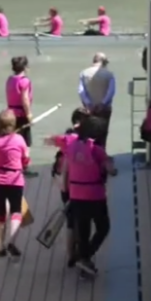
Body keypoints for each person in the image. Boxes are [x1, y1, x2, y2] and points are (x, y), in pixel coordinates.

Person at [62, 115, 118, 276]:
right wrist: (112, 170)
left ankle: (83, 264)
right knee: (103, 227)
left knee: (83, 230)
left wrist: (66, 191)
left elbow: (66, 170)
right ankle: (84, 257)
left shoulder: (70, 147)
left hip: (76, 194)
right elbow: (109, 167)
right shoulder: (96, 149)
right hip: (95, 195)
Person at [0, 110, 31, 258]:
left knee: (1, 213)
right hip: (15, 179)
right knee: (15, 211)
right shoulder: (19, 140)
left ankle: (1, 246)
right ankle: (12, 240)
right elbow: (26, 158)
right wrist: (23, 164)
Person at [47, 108, 89, 266]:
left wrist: (64, 191)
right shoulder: (79, 149)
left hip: (67, 191)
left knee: (71, 223)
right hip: (79, 189)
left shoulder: (61, 154)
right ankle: (78, 252)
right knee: (81, 222)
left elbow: (59, 176)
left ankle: (71, 255)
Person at [5, 56, 36, 175]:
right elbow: (25, 99)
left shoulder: (10, 79)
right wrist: (29, 115)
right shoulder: (24, 81)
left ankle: (12, 165)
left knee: (12, 141)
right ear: (25, 67)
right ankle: (24, 167)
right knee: (26, 143)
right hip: (21, 115)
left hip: (10, 114)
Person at [78, 53, 116, 144]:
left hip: (88, 109)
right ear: (104, 62)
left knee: (88, 133)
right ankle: (101, 154)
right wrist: (102, 103)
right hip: (104, 109)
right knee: (103, 133)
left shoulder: (83, 73)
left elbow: (81, 91)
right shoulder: (109, 75)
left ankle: (89, 154)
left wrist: (88, 103)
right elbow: (111, 91)